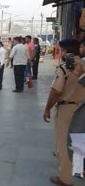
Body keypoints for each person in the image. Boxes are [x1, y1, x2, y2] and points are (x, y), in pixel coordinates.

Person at [43, 39, 85, 186]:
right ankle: (80, 170)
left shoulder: (64, 68)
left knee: (64, 144)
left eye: (61, 50)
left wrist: (47, 109)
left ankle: (65, 179)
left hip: (67, 109)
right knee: (80, 142)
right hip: (82, 108)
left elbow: (55, 91)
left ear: (66, 51)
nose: (60, 53)